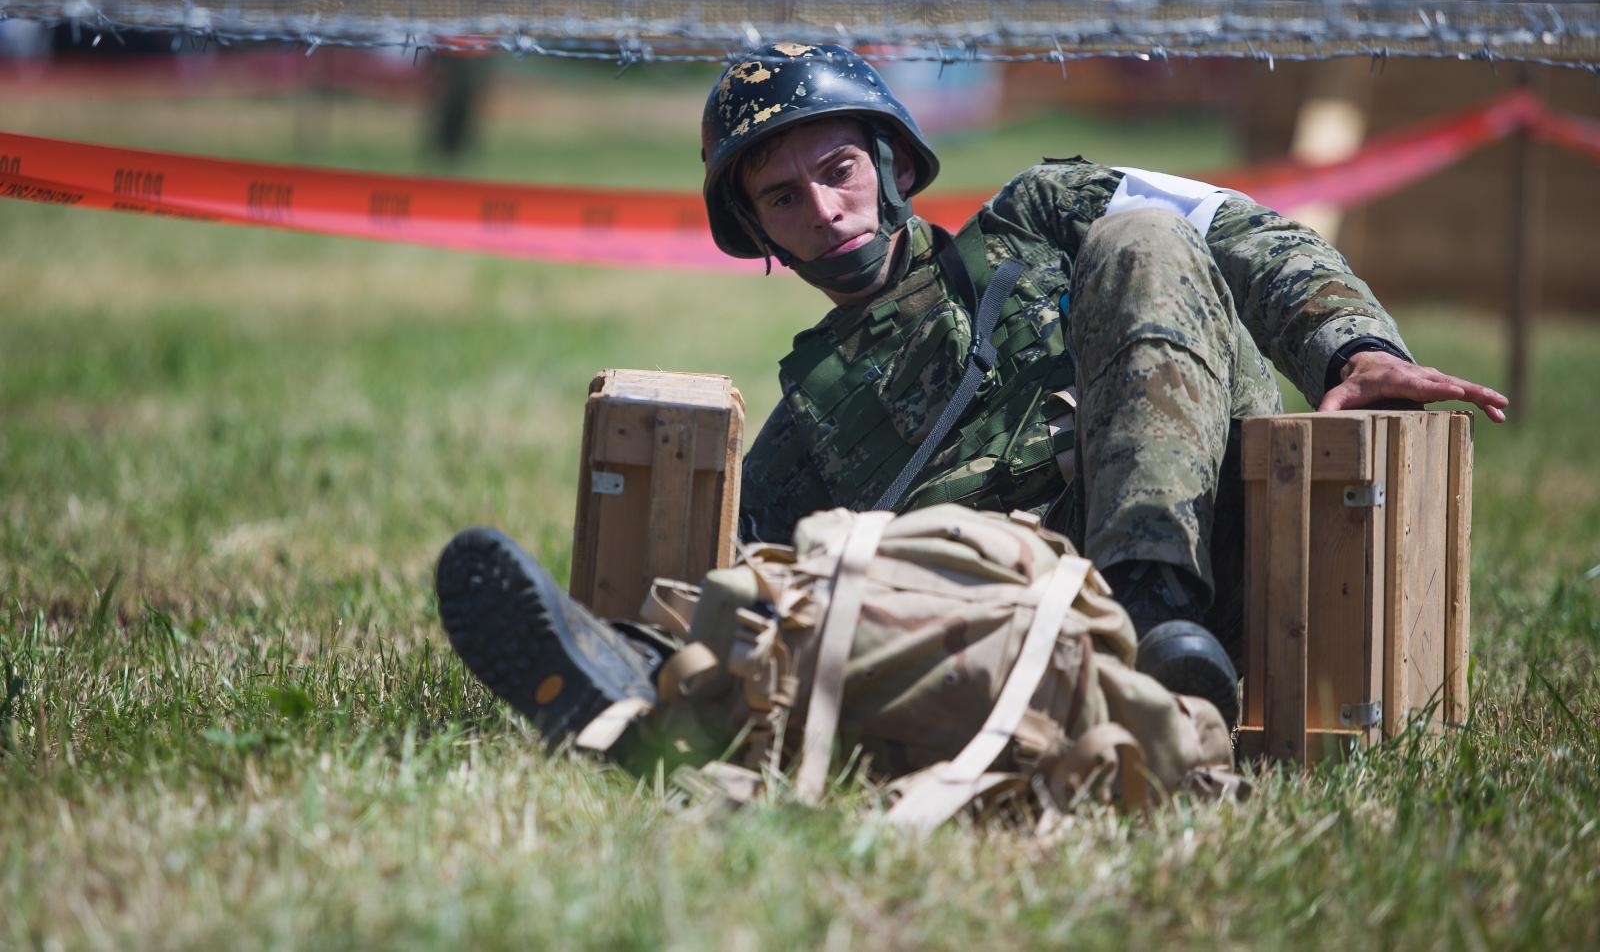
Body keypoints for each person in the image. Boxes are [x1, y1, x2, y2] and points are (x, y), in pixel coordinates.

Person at [436, 43, 1506, 749]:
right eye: (781, 196)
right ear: (757, 233)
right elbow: (761, 582)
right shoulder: (809, 417)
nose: (823, 209)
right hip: (1024, 624)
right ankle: (624, 687)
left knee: (1143, 236)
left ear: (895, 160)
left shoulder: (1037, 216)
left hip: (1215, 570)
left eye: (840, 169)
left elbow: (1231, 225)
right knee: (778, 590)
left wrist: (1347, 346)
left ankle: (1157, 612)